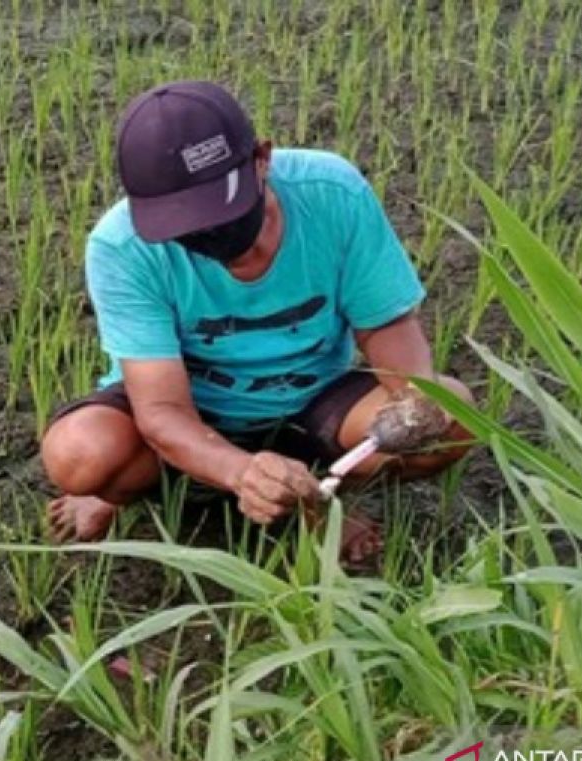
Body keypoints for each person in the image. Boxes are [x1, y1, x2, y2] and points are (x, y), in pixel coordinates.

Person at [41, 80, 473, 561]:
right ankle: (122, 495)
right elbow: (162, 408)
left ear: (261, 158)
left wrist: (412, 395)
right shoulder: (123, 246)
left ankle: (321, 496)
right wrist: (242, 472)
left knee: (451, 413)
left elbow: (384, 325)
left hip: (311, 399)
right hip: (191, 415)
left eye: (218, 209)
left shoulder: (332, 194)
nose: (208, 232)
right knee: (81, 453)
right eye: (184, 223)